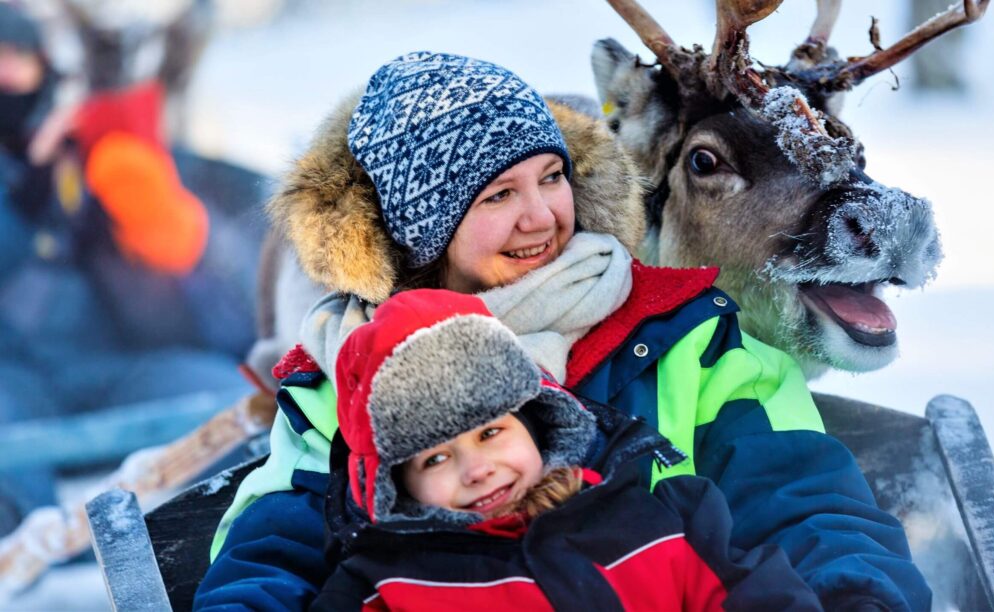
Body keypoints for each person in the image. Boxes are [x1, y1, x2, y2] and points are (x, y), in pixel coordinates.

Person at [195, 51, 931, 610]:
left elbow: (805, 501)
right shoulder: (345, 379)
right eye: (498, 195)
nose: (542, 216)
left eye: (552, 177)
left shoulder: (683, 337)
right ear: (424, 232)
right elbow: (271, 548)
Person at [304, 288, 821, 610]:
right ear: (396, 483)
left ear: (537, 423)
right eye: (435, 458)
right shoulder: (384, 587)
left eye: (490, 433)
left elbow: (754, 592)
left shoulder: (652, 521)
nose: (477, 469)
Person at [0, 3, 256, 533]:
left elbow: (186, 250)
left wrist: (112, 200)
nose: (4, 75)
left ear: (43, 65)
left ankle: (241, 524)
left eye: (13, 58)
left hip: (116, 369)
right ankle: (19, 540)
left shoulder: (96, 150)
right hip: (12, 381)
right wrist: (22, 208)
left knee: (230, 403)